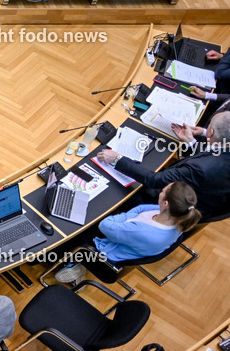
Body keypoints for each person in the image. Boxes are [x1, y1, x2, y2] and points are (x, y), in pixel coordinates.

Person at [97, 112, 230, 222]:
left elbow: (154, 180)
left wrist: (117, 159)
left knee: (114, 187)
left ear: (210, 132)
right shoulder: (223, 151)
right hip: (204, 199)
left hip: (171, 207)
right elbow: (210, 157)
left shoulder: (199, 169)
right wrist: (190, 142)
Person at [58, 182, 202, 283]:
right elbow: (141, 208)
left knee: (74, 225)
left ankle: (75, 264)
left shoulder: (143, 232)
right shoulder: (176, 218)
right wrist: (126, 219)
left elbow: (105, 225)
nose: (161, 192)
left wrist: (125, 219)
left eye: (163, 191)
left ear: (166, 203)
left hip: (103, 252)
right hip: (122, 235)